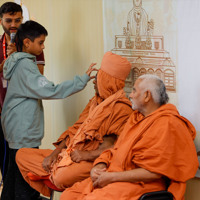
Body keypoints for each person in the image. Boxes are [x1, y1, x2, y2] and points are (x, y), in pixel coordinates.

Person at [60, 74, 199, 200]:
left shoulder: (168, 123)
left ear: (147, 96)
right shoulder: (136, 118)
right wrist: (98, 166)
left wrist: (111, 177)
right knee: (68, 195)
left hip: (142, 184)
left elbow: (154, 172)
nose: (130, 95)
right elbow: (117, 149)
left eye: (134, 90)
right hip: (115, 174)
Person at [0, 20, 97, 200]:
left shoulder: (15, 62)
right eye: (40, 42)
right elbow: (50, 90)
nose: (43, 46)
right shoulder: (26, 66)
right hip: (23, 129)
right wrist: (81, 80)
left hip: (15, 126)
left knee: (12, 176)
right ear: (27, 42)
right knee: (25, 181)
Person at [16, 51, 133, 198]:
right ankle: (54, 170)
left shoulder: (122, 109)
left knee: (61, 177)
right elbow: (75, 129)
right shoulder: (95, 101)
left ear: (108, 80)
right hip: (71, 153)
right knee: (22, 155)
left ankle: (53, 174)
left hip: (93, 160)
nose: (94, 82)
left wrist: (85, 155)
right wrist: (55, 153)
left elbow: (117, 148)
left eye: (98, 78)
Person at [0, 2, 45, 181]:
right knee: (6, 162)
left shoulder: (32, 46)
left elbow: (39, 78)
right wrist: (5, 64)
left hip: (24, 116)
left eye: (17, 20)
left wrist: (19, 55)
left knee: (24, 164)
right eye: (8, 20)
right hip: (2, 109)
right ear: (1, 20)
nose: (13, 25)